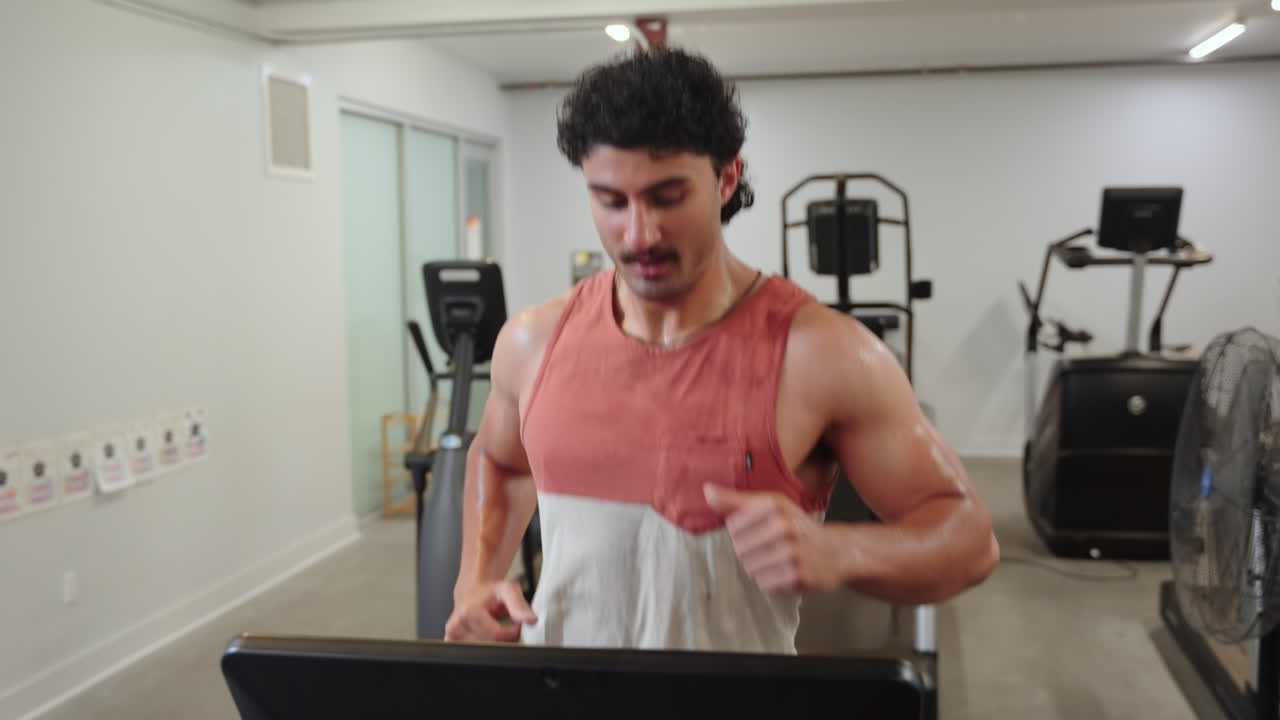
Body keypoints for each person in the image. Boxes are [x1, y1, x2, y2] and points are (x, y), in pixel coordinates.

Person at [444, 47, 998, 653]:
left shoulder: (823, 355)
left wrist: (842, 550)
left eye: (668, 196)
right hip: (563, 696)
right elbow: (501, 463)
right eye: (611, 200)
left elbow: (968, 539)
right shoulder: (532, 342)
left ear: (727, 178)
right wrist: (475, 580)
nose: (639, 234)